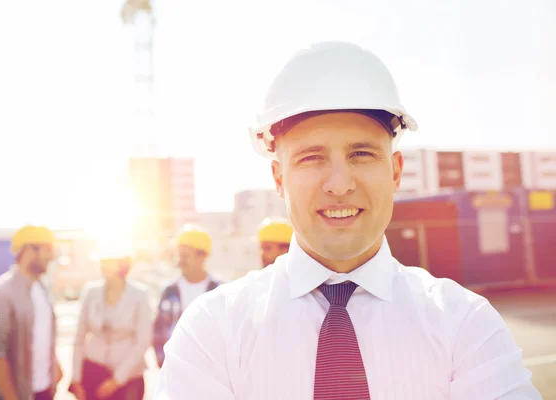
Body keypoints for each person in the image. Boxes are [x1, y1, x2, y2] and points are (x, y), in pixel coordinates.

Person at [153, 41, 541, 399]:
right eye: (311, 157)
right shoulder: (212, 331)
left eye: (361, 154)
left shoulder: (465, 326)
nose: (339, 185)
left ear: (394, 171)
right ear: (278, 178)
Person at [0, 225, 63, 400]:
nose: (52, 256)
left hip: (45, 390)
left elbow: (42, 336)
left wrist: (55, 366)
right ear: (28, 250)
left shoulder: (42, 289)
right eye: (47, 249)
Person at [69, 250, 152, 400]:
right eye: (103, 261)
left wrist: (117, 380)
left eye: (110, 260)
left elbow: (142, 343)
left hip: (129, 378)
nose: (104, 265)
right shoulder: (90, 292)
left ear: (122, 263)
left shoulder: (139, 295)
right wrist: (76, 379)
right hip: (93, 372)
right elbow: (79, 338)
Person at [152, 224, 222, 368]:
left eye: (185, 256)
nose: (180, 261)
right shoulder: (169, 291)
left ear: (202, 256)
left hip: (211, 373)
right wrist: (163, 363)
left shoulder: (220, 292)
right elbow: (158, 330)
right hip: (175, 370)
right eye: (179, 255)